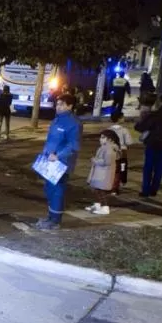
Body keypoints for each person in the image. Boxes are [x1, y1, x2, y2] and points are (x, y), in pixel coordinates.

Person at [34, 94, 81, 231]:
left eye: (61, 104)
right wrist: (45, 154)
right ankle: (50, 217)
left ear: (70, 106)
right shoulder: (57, 120)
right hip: (49, 161)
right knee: (49, 189)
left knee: (57, 190)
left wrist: (58, 156)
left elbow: (73, 146)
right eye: (57, 104)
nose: (58, 106)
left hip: (61, 163)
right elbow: (51, 140)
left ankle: (55, 221)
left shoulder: (74, 123)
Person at [85, 130, 121, 215]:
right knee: (96, 189)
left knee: (100, 191)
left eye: (103, 137)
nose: (100, 139)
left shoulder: (109, 149)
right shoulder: (105, 147)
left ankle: (105, 208)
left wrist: (95, 160)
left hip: (104, 174)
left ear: (110, 139)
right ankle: (98, 205)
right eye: (101, 137)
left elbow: (107, 162)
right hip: (101, 173)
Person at [108, 111, 133, 193]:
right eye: (122, 117)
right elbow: (129, 142)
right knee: (122, 168)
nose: (123, 118)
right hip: (122, 153)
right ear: (119, 119)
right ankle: (120, 183)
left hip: (111, 152)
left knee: (112, 168)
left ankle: (111, 184)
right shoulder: (124, 130)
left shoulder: (108, 130)